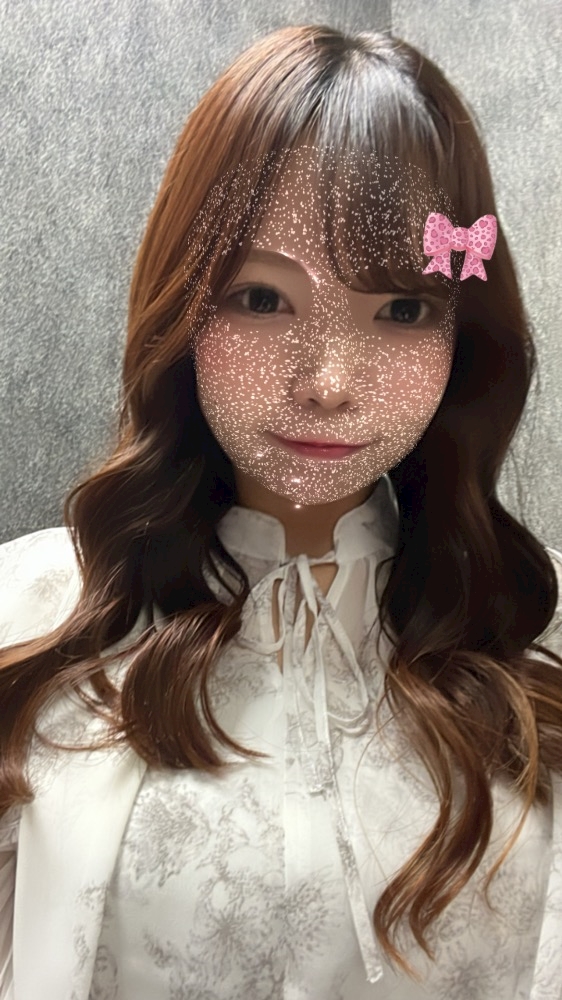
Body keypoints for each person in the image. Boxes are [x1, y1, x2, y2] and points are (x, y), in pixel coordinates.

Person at [0, 22, 561, 1000]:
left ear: (463, 333)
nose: (330, 383)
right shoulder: (28, 612)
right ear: (184, 307)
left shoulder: (537, 633)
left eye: (401, 310)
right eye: (263, 298)